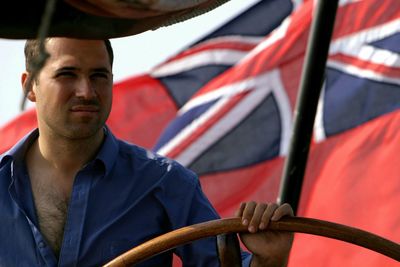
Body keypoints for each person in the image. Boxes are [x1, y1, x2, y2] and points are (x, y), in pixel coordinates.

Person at [0, 38, 294, 267]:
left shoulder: (166, 183)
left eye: (99, 76)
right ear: (30, 86)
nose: (86, 91)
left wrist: (268, 259)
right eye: (67, 74)